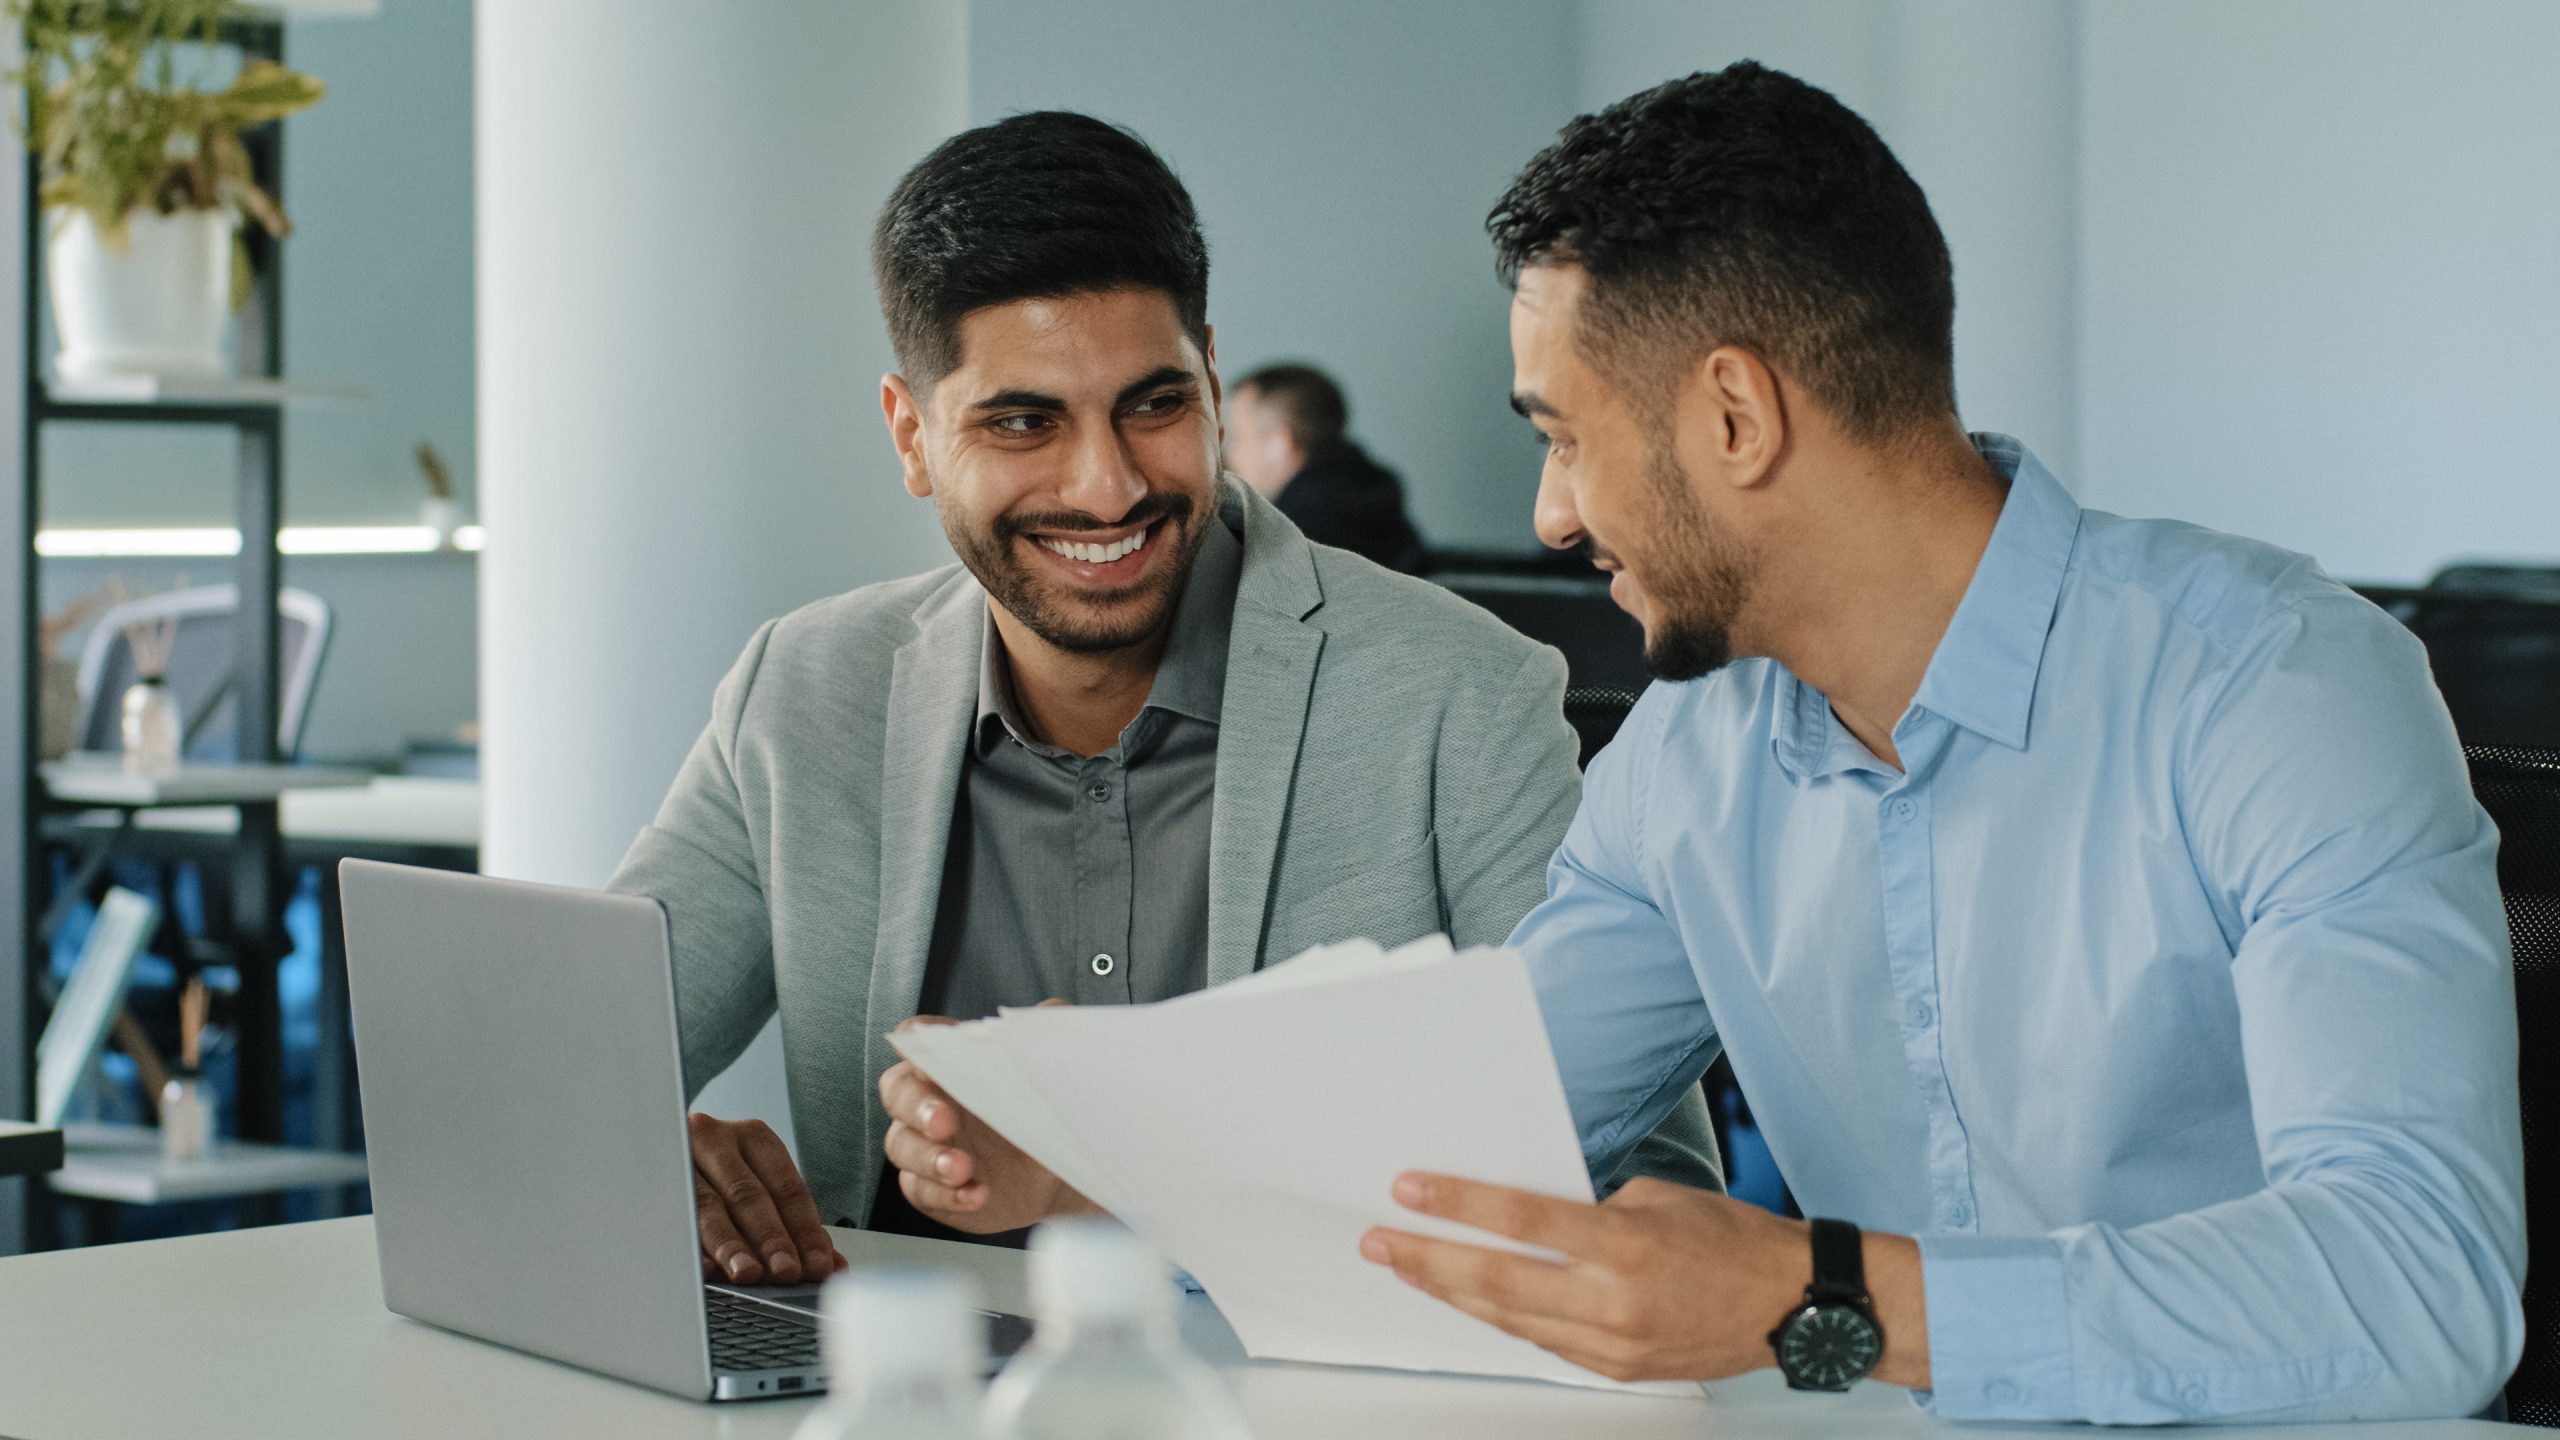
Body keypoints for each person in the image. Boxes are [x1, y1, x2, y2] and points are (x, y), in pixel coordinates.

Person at [1359, 63, 2524, 1425]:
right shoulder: (1690, 753)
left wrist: (1827, 1303)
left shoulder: (2275, 685)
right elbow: (1457, 1145)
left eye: (1564, 436)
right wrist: (1109, 1141)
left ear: (1737, 416)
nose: (1553, 513)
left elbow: (2422, 1278)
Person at [609, 111, 1721, 1286]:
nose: (1109, 486)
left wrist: (1122, 1161)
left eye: (1153, 405)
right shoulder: (802, 691)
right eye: (1024, 421)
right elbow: (564, 1067)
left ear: (1210, 374)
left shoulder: (1461, 695)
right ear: (912, 435)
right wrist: (625, 1155)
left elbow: (1643, 1196)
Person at [1223, 363, 1427, 573]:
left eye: (1237, 437)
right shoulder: (1372, 494)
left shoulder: (1297, 535)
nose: (1228, 455)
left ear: (1279, 445)